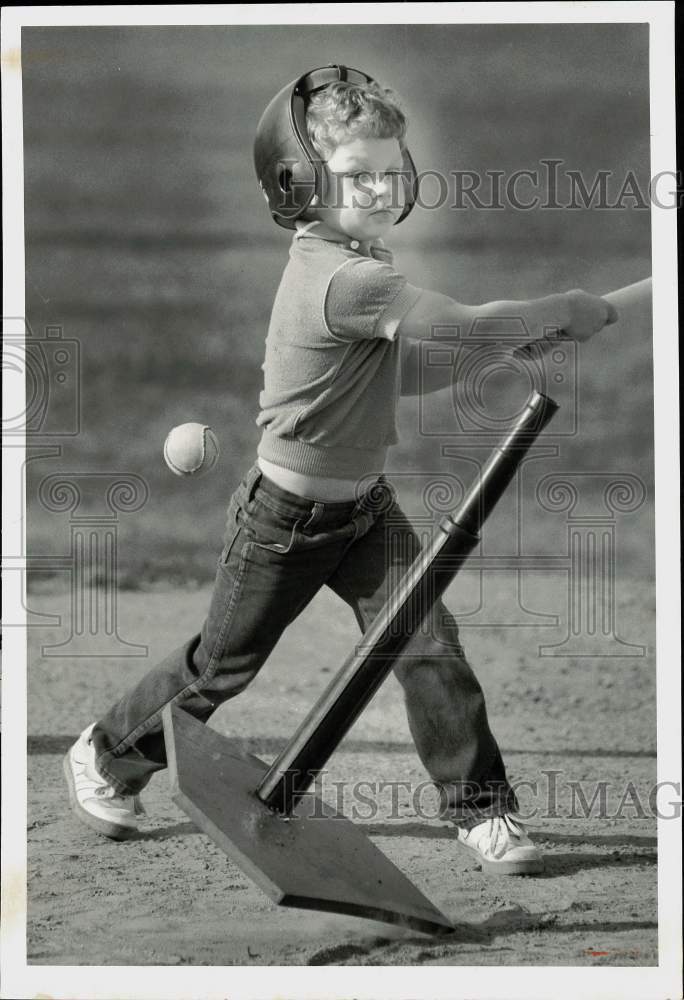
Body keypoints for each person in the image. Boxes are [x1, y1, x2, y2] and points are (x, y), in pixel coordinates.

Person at [64, 64, 617, 875]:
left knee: (427, 640)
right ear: (298, 183)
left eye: (392, 171)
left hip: (364, 512)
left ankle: (481, 812)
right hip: (283, 521)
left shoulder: (359, 266)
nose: (380, 188)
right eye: (356, 175)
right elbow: (456, 333)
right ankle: (108, 752)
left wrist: (512, 342)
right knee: (221, 669)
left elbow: (414, 368)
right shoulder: (344, 277)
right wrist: (560, 310)